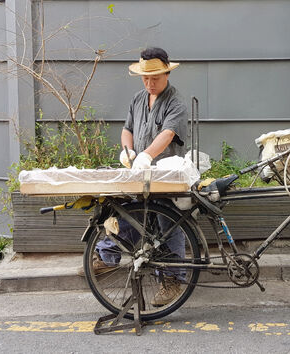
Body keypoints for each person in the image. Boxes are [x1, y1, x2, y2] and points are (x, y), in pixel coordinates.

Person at [80, 47, 188, 307]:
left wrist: (147, 155)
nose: (150, 84)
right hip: (139, 172)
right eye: (145, 79)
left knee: (166, 222)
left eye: (155, 78)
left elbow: (168, 134)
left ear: (166, 73)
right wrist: (129, 151)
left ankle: (172, 279)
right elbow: (127, 129)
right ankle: (107, 257)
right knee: (129, 211)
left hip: (165, 173)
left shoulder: (176, 103)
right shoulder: (138, 99)